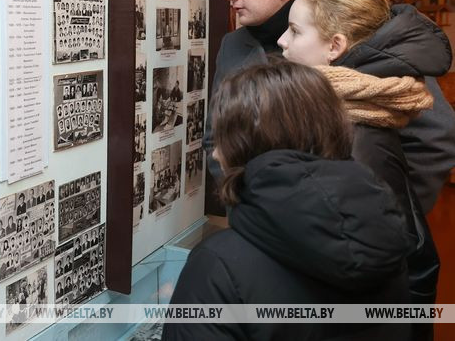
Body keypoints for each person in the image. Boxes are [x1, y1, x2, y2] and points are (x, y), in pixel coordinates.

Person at [206, 0, 455, 217]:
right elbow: (216, 134)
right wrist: (246, 203)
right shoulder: (233, 45)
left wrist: (390, 219)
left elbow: (436, 136)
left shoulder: (358, 38)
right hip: (261, 224)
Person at [163, 62, 412, 341]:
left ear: (247, 145)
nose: (216, 154)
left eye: (224, 138)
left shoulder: (218, 264)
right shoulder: (383, 233)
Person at [277, 0, 444, 320]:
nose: (282, 41)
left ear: (335, 47)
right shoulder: (335, 114)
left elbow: (390, 266)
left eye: (294, 31)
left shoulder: (356, 138)